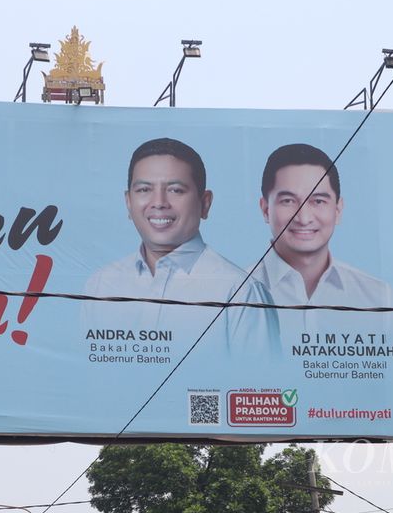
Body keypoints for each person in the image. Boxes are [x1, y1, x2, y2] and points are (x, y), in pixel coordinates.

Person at [83, 137, 279, 357]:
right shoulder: (101, 285)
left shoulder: (240, 292)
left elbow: (261, 383)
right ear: (128, 203)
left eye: (175, 190)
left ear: (205, 203)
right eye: (144, 189)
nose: (159, 202)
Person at [252, 143, 393, 338]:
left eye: (318, 201)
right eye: (288, 201)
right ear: (265, 209)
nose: (303, 218)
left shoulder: (379, 298)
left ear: (338, 210)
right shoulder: (235, 295)